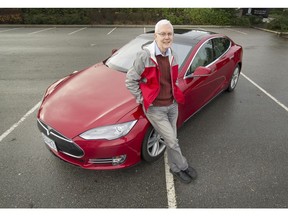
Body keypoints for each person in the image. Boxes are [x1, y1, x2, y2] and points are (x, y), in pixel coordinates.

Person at [125, 19, 197, 184]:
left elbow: (171, 79)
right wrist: (143, 99)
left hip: (172, 105)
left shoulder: (173, 54)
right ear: (155, 35)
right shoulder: (144, 56)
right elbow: (130, 80)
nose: (166, 37)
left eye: (169, 33)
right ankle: (182, 166)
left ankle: (174, 167)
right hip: (156, 109)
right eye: (162, 34)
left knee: (172, 140)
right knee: (172, 140)